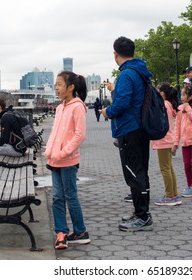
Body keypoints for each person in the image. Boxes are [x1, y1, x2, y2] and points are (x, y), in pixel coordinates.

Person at [101, 36, 153, 232]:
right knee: (141, 171)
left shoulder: (126, 75)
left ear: (115, 54)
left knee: (133, 173)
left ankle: (142, 216)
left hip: (129, 130)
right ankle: (141, 212)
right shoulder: (141, 71)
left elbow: (121, 104)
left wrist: (107, 112)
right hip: (141, 128)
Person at [44, 71, 90, 249]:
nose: (56, 88)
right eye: (56, 84)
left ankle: (80, 231)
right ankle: (61, 232)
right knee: (57, 197)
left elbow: (80, 135)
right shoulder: (60, 107)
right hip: (54, 158)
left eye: (59, 84)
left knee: (70, 196)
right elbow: (55, 132)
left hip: (68, 160)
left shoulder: (77, 107)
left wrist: (63, 152)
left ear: (70, 87)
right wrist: (50, 150)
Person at [152, 83, 181, 206]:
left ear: (163, 93)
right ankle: (174, 194)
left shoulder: (163, 105)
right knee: (169, 168)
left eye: (158, 91)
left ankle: (169, 196)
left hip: (163, 139)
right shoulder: (169, 105)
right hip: (169, 138)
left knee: (165, 169)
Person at [172, 85, 192, 198]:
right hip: (185, 141)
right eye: (181, 94)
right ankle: (189, 185)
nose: (181, 97)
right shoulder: (180, 108)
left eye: (184, 95)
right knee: (186, 165)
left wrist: (188, 108)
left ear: (190, 97)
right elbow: (177, 126)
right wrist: (176, 143)